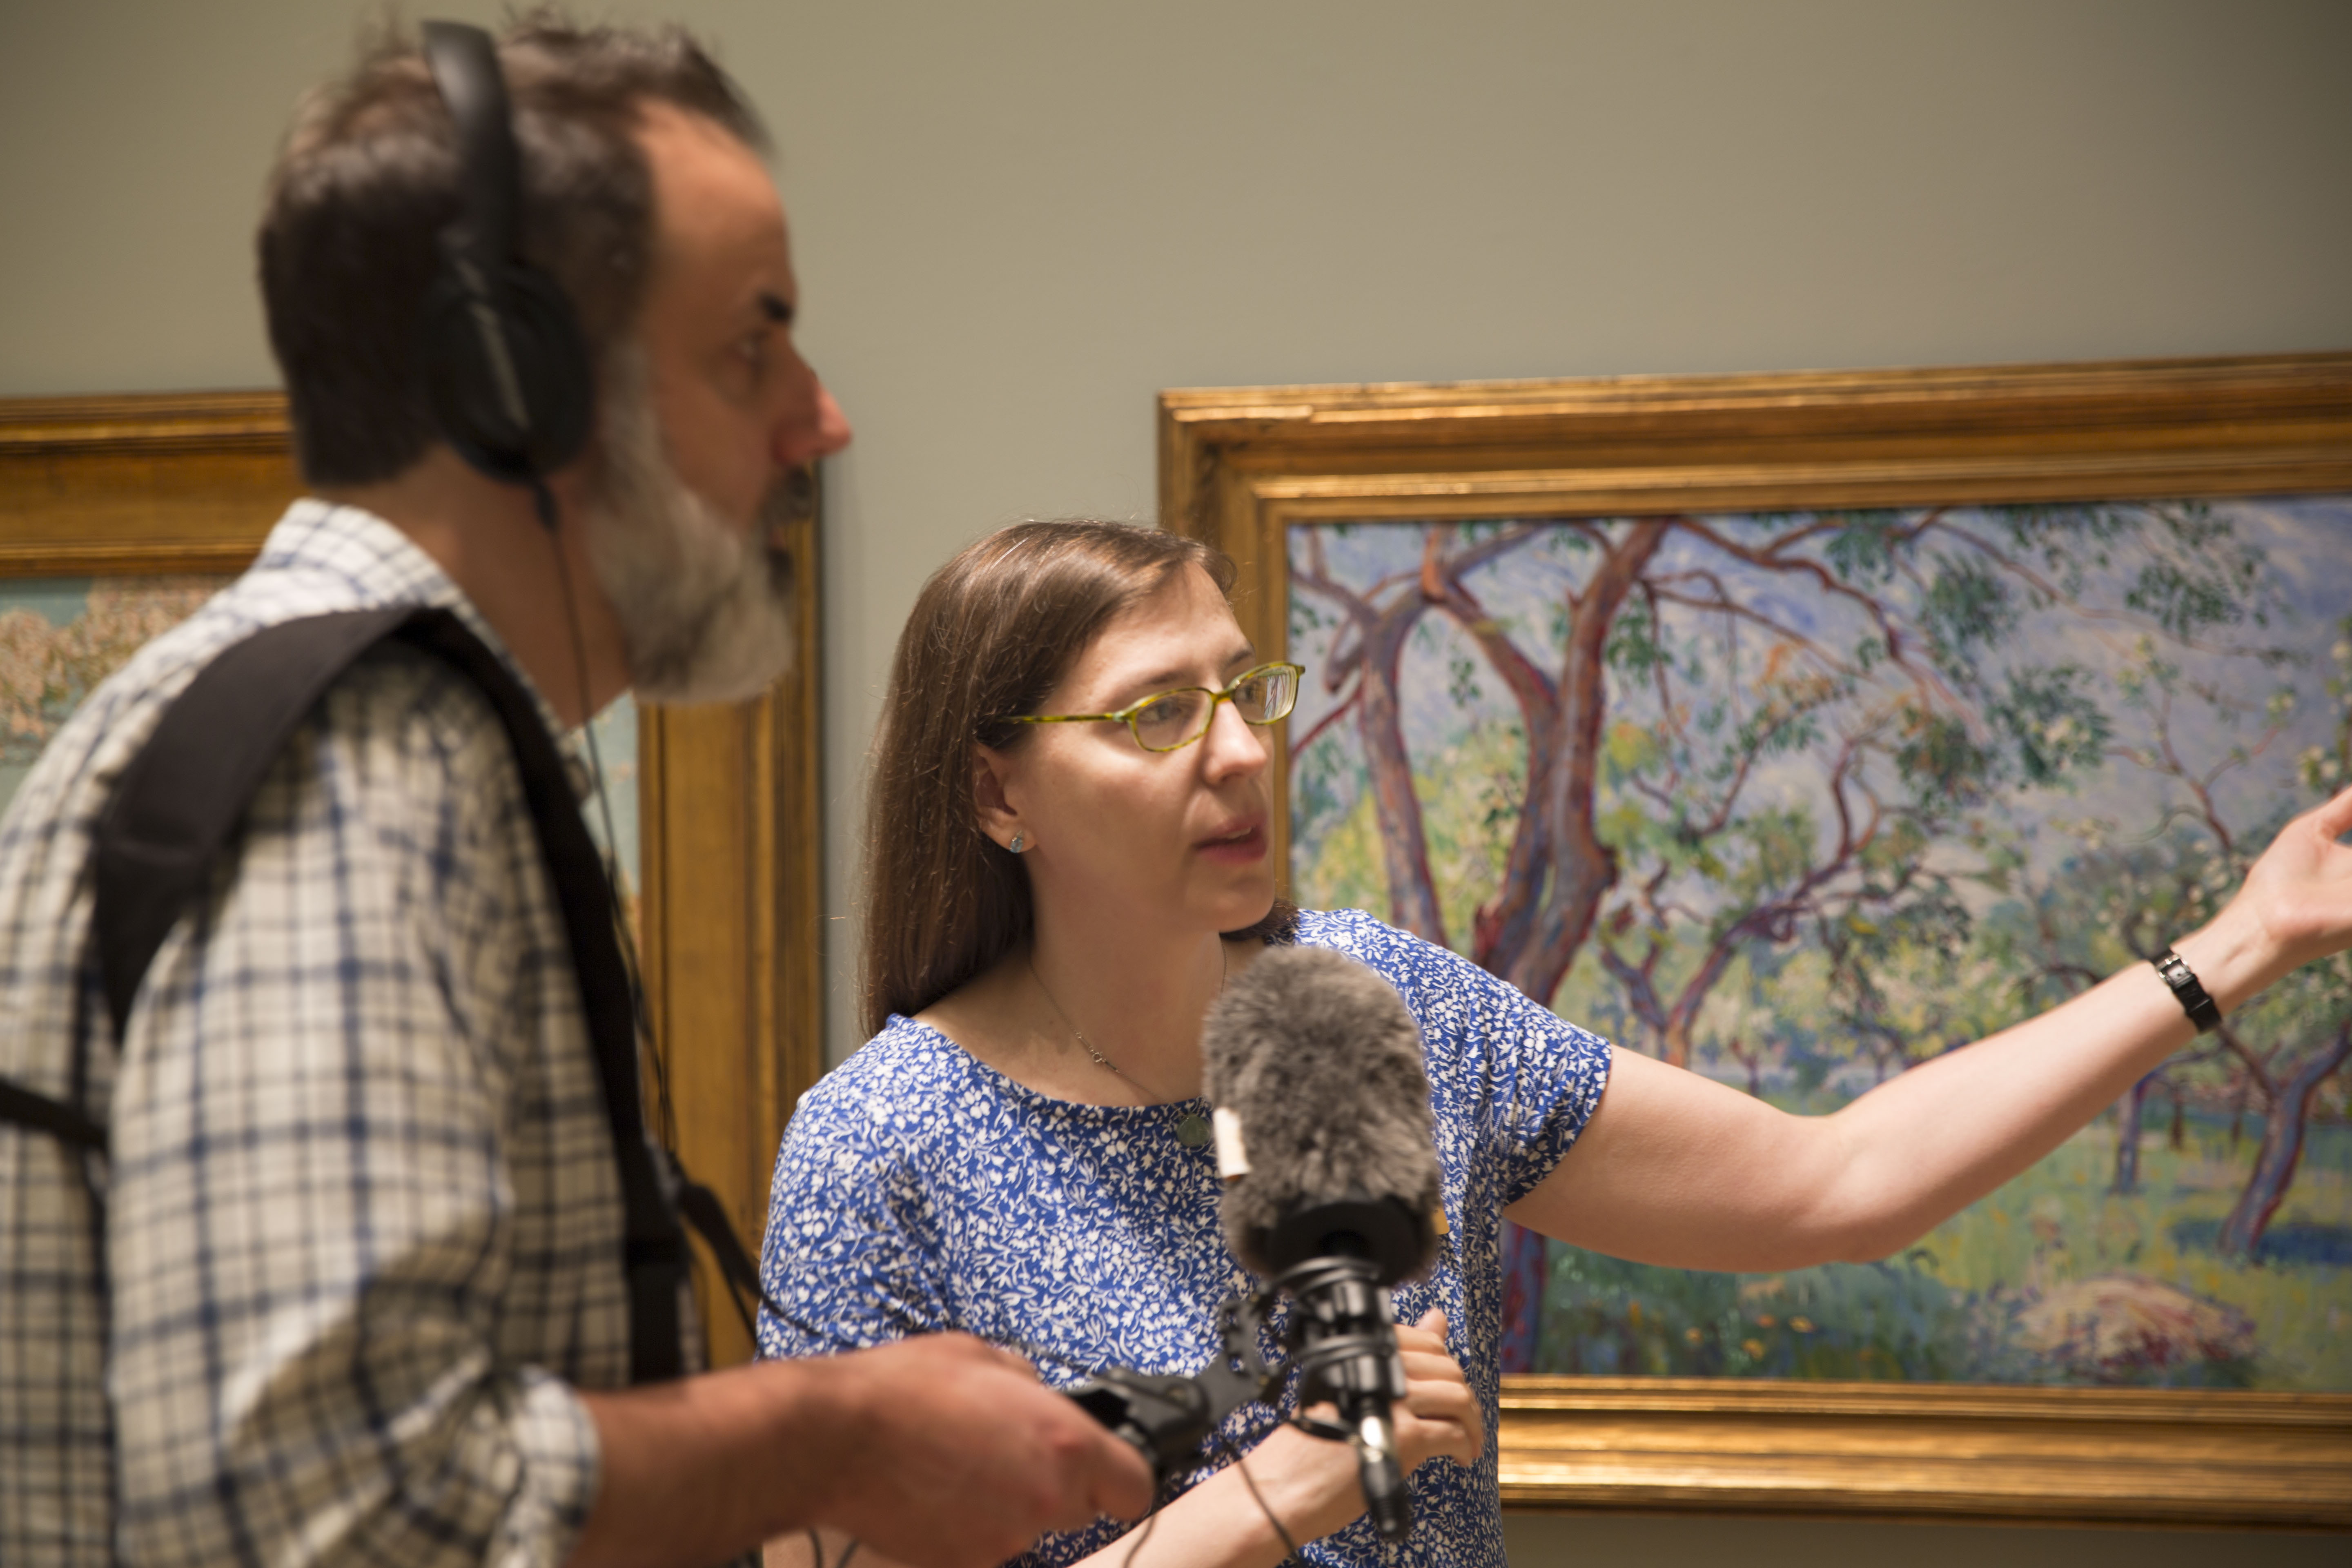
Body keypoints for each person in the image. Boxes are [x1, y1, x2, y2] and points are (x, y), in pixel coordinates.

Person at [0, 20, 1147, 1568]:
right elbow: (346, 1501)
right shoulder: (354, 769)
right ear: (517, 388)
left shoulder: (385, 741)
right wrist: (843, 1432)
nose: (820, 416)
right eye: (754, 344)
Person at [757, 519, 2352, 1568]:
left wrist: (2240, 947)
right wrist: (1261, 1502)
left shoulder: (1379, 1008)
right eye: (1157, 714)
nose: (1242, 752)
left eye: (1249, 691)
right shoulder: (882, 1145)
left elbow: (1837, 1179)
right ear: (998, 796)